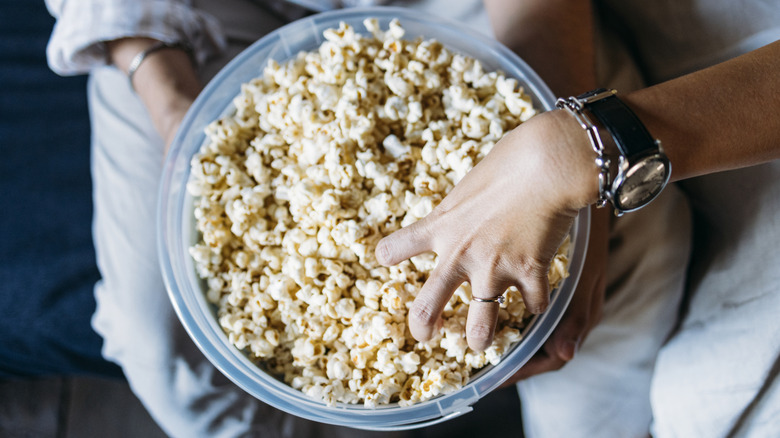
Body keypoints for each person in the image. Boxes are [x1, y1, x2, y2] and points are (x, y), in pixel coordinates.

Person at [45, 0, 780, 437]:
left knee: (620, 278)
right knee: (155, 338)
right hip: (186, 20)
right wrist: (163, 86)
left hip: (450, 13)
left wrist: (563, 126)